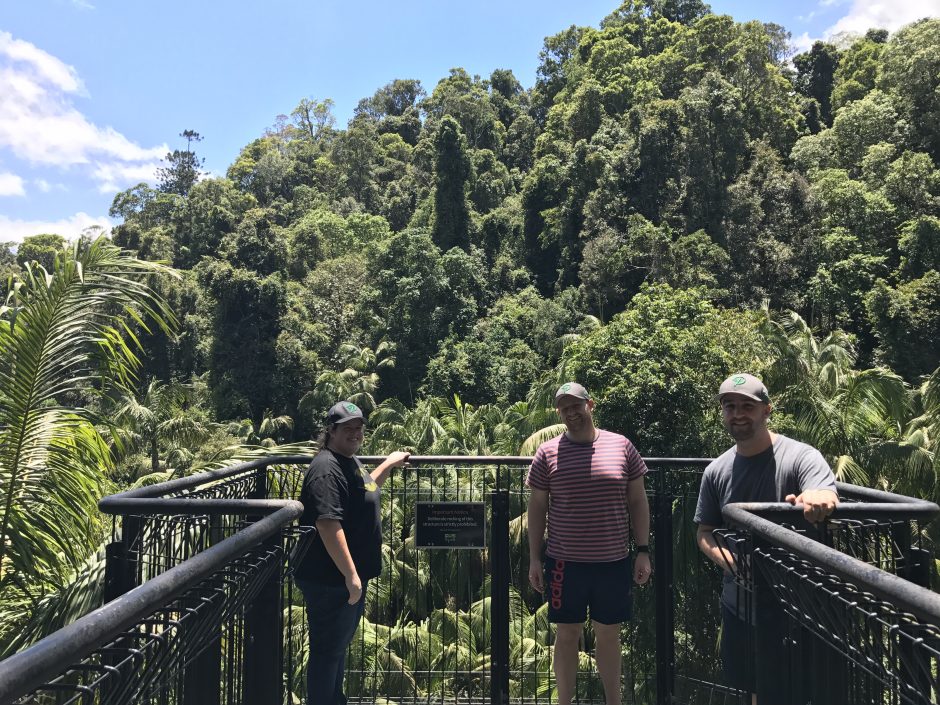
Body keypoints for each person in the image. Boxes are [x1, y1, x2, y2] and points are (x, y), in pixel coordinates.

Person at [694, 373, 838, 699]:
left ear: (767, 410)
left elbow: (821, 490)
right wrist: (728, 560)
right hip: (740, 607)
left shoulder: (800, 456)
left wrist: (818, 498)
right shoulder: (716, 471)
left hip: (799, 610)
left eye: (748, 406)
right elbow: (704, 532)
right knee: (750, 690)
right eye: (730, 406)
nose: (738, 414)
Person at [526, 382, 651, 705]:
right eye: (564, 408)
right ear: (559, 412)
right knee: (567, 634)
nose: (571, 413)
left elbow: (638, 500)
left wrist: (643, 550)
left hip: (613, 560)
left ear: (590, 405)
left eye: (576, 406)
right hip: (563, 562)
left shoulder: (621, 446)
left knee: (609, 634)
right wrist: (535, 558)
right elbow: (537, 507)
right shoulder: (547, 452)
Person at [293, 400, 410, 705]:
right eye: (348, 428)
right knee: (327, 651)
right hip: (330, 579)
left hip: (342, 579)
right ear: (331, 431)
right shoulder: (326, 469)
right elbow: (327, 523)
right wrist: (351, 575)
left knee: (335, 648)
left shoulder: (349, 460)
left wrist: (388, 463)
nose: (356, 433)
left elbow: (368, 488)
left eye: (359, 428)